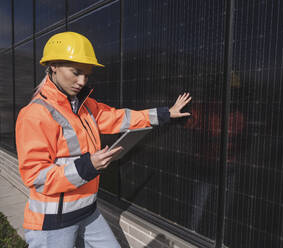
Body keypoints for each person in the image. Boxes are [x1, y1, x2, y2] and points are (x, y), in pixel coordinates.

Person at [15, 31, 192, 248]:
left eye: (87, 75)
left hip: (88, 212)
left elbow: (122, 118)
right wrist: (88, 166)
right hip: (54, 224)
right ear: (54, 65)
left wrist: (165, 113)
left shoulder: (85, 106)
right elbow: (36, 177)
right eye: (76, 72)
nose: (82, 81)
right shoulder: (35, 114)